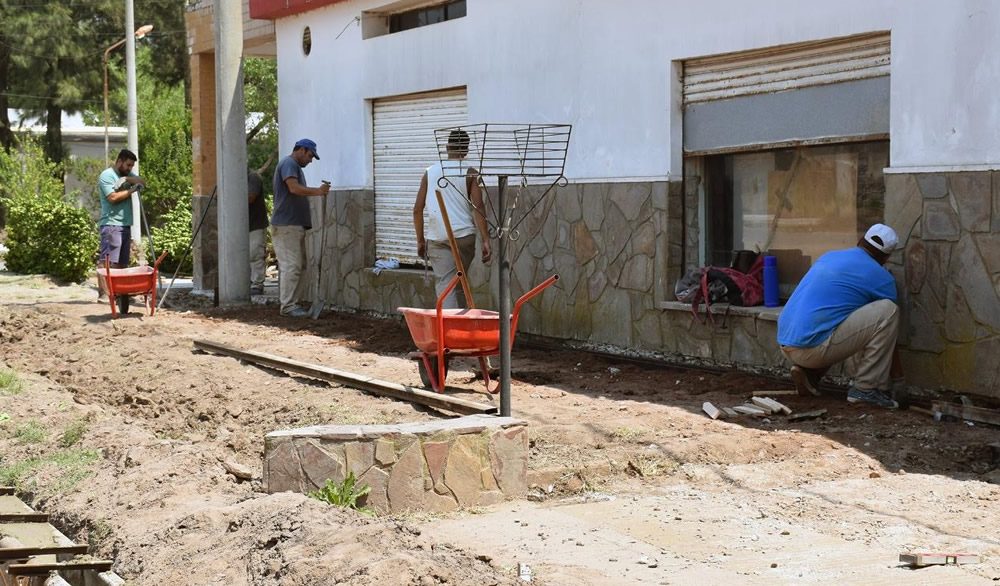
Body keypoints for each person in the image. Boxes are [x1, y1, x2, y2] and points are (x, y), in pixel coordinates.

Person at [777, 223, 902, 409]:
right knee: (889, 310)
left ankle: (810, 374)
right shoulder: (882, 278)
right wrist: (898, 379)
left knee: (837, 312)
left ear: (861, 241)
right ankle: (866, 388)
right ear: (886, 257)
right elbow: (886, 326)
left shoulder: (830, 256)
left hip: (785, 343)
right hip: (812, 350)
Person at [412, 129, 491, 309]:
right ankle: (462, 327)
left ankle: (449, 331)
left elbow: (417, 209)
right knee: (459, 282)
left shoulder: (430, 172)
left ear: (447, 147)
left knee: (446, 285)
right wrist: (486, 240)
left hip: (438, 237)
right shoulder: (471, 173)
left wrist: (420, 241)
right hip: (464, 238)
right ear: (466, 151)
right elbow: (479, 207)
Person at [271, 138, 330, 318]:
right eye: (310, 156)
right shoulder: (289, 163)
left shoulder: (294, 166)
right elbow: (294, 188)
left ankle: (292, 304)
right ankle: (288, 307)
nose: (310, 160)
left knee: (298, 266)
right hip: (286, 225)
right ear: (302, 150)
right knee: (292, 266)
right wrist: (318, 191)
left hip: (292, 224)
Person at [97, 149, 146, 298]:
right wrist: (131, 190)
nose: (130, 168)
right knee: (107, 260)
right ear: (119, 162)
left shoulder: (126, 175)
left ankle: (118, 292)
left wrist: (127, 180)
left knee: (122, 263)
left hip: (125, 224)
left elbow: (143, 180)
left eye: (132, 166)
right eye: (128, 165)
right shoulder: (107, 176)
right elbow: (112, 197)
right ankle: (104, 294)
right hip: (111, 224)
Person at [248, 169, 268, 295]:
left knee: (255, 254)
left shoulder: (253, 177)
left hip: (256, 224)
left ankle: (257, 284)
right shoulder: (229, 179)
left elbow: (250, 197)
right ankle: (246, 283)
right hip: (239, 225)